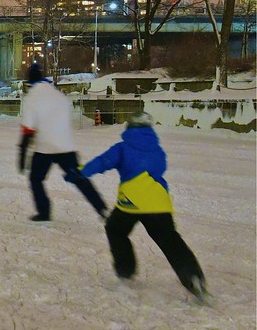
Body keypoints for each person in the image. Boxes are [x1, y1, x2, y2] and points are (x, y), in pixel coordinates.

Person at [66, 112, 208, 301]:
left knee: (115, 229)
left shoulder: (123, 148)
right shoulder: (157, 149)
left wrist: (80, 173)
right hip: (159, 203)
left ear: (129, 128)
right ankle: (194, 279)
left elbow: (103, 162)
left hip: (132, 202)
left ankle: (125, 272)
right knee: (171, 241)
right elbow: (160, 168)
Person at [18, 63, 107, 221]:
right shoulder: (58, 95)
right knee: (79, 178)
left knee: (36, 179)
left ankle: (44, 212)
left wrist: (22, 154)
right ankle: (101, 207)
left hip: (45, 148)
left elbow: (28, 131)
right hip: (66, 146)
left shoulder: (32, 98)